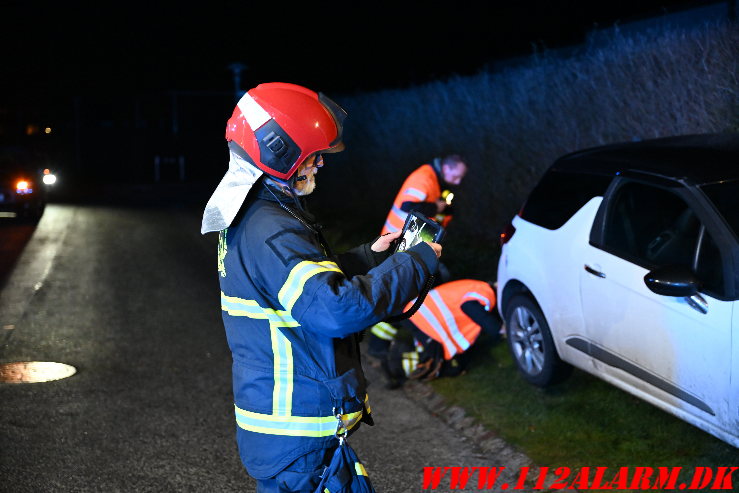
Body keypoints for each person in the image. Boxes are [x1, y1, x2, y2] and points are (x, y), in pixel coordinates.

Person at [200, 82, 441, 493]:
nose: (320, 164)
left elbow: (292, 287)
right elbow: (333, 310)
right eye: (313, 155)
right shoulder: (272, 229)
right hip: (300, 440)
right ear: (279, 153)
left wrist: (369, 258)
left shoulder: (255, 213)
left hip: (288, 436)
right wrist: (415, 262)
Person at [367, 279, 499, 388]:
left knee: (396, 323)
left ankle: (378, 350)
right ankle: (393, 368)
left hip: (418, 313)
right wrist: (500, 329)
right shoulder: (485, 291)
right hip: (428, 323)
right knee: (439, 364)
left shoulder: (476, 285)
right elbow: (470, 307)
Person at [380, 154, 468, 236]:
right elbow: (407, 206)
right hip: (396, 239)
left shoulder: (435, 178)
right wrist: (436, 208)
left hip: (405, 238)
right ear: (445, 168)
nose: (458, 182)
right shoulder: (424, 177)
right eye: (456, 177)